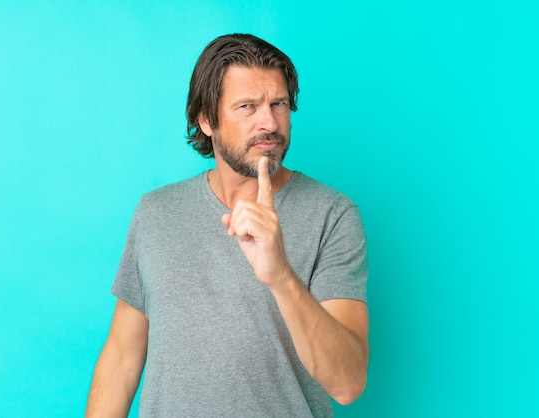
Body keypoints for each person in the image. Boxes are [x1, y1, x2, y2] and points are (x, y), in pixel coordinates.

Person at [85, 33, 369, 417]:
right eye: (247, 106)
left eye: (278, 104)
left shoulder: (332, 214)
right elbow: (121, 359)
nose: (268, 122)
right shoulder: (156, 213)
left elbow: (348, 383)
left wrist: (280, 276)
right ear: (206, 120)